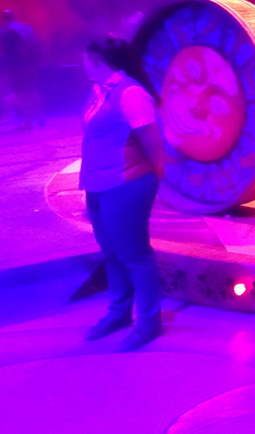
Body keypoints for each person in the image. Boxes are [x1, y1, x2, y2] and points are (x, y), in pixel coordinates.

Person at [80, 37, 165, 351]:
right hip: (97, 184)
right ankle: (118, 313)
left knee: (135, 255)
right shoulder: (99, 93)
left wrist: (151, 177)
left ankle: (149, 321)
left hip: (126, 184)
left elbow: (152, 144)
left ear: (98, 59)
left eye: (85, 59)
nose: (82, 64)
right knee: (112, 253)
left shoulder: (131, 93)